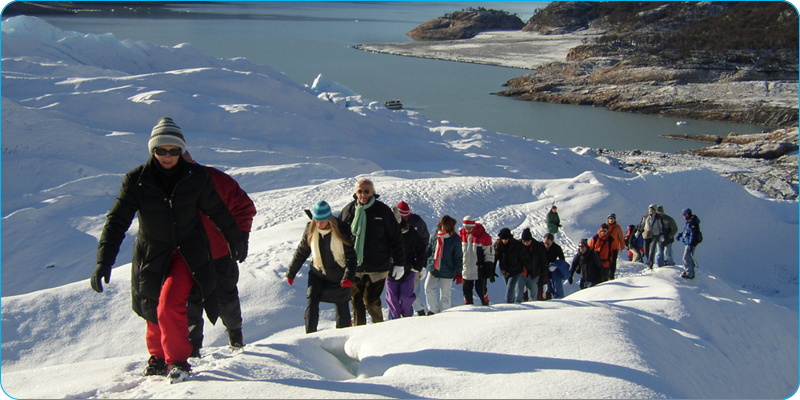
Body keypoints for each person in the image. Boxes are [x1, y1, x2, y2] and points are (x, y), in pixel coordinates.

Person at [91, 117, 245, 383]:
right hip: (152, 253)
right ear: (152, 150)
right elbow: (117, 222)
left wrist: (237, 239)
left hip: (188, 253)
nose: (167, 155)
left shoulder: (195, 177)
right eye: (161, 150)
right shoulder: (136, 180)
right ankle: (157, 357)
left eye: (174, 150)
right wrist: (103, 261)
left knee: (168, 302)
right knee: (151, 304)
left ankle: (178, 361)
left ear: (181, 151)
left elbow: (217, 210)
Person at [183, 151, 256, 356]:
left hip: (219, 254)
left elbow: (244, 207)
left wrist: (242, 237)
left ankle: (236, 338)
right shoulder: (168, 184)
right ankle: (193, 349)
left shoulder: (216, 179)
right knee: (190, 304)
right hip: (185, 258)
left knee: (227, 299)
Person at [339, 179, 405, 325]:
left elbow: (396, 237)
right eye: (359, 191)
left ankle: (378, 329)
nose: (363, 194)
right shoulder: (348, 211)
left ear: (373, 192)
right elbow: (340, 237)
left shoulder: (382, 211)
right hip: (355, 267)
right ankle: (359, 332)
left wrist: (399, 263)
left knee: (370, 301)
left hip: (377, 267)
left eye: (366, 191)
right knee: (356, 303)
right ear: (355, 193)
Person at [286, 201, 356, 333]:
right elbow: (302, 251)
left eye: (322, 221)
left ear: (329, 219)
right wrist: (291, 272)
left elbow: (351, 257)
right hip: (318, 274)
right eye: (316, 221)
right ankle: (310, 335)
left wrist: (348, 276)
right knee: (312, 302)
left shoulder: (341, 230)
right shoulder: (311, 229)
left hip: (339, 275)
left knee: (342, 309)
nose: (319, 224)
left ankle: (343, 336)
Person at [385, 206, 427, 319]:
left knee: (406, 297)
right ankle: (394, 319)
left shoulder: (409, 231)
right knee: (392, 298)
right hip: (390, 270)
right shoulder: (384, 232)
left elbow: (421, 248)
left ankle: (407, 317)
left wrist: (418, 266)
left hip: (409, 270)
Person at [397, 201, 431, 316]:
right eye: (402, 217)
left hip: (413, 264)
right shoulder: (393, 222)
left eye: (406, 217)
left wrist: (422, 263)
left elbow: (425, 242)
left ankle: (420, 312)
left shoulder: (417, 222)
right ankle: (399, 315)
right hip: (397, 264)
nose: (405, 220)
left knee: (413, 292)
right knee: (396, 294)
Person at [424, 215, 463, 315]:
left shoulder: (455, 239)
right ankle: (433, 310)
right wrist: (422, 256)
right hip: (434, 268)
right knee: (428, 288)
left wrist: (459, 272)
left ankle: (445, 313)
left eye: (445, 226)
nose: (443, 228)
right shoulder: (436, 235)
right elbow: (430, 249)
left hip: (448, 270)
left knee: (445, 294)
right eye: (441, 226)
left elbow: (458, 256)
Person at [458, 216, 495, 306]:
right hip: (466, 268)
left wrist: (489, 267)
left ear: (473, 226)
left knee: (480, 289)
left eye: (469, 228)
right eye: (465, 228)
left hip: (479, 268)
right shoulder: (461, 235)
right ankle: (469, 306)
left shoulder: (484, 236)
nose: (467, 230)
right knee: (466, 289)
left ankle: (485, 303)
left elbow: (489, 254)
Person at [494, 228, 530, 304]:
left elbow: (524, 257)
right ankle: (512, 303)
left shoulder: (517, 245)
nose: (504, 241)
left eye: (506, 239)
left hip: (516, 270)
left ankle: (508, 304)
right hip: (505, 271)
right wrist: (492, 271)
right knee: (509, 288)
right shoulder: (497, 245)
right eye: (503, 239)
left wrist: (522, 266)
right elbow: (494, 258)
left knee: (510, 287)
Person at [520, 228, 547, 302]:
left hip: (534, 275)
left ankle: (533, 312)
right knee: (518, 296)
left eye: (527, 241)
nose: (525, 243)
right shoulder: (518, 245)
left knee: (533, 296)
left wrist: (542, 279)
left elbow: (543, 263)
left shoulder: (538, 246)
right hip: (521, 274)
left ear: (531, 240)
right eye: (524, 241)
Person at [676, 208, 703, 280]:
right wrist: (681, 234)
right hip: (688, 242)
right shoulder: (689, 221)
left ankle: (689, 273)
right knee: (688, 257)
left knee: (686, 258)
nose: (683, 216)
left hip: (690, 243)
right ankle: (690, 271)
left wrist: (691, 244)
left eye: (684, 215)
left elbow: (694, 234)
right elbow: (686, 230)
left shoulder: (693, 223)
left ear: (687, 214)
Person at [541, 233, 565, 300]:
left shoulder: (556, 248)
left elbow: (562, 259)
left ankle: (559, 297)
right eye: (545, 243)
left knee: (557, 280)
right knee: (546, 284)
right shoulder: (540, 246)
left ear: (552, 242)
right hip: (543, 268)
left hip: (553, 267)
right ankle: (547, 296)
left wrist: (556, 265)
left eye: (548, 243)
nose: (546, 245)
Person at [638, 204, 663, 268]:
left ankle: (650, 263)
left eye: (652, 209)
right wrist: (639, 231)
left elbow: (661, 226)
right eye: (650, 209)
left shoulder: (658, 217)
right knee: (646, 249)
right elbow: (642, 224)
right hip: (647, 234)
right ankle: (648, 260)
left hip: (655, 234)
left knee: (652, 249)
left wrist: (660, 234)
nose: (651, 211)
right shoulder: (646, 216)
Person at [606, 213, 625, 279]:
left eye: (612, 218)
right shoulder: (605, 226)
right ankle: (607, 274)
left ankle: (612, 275)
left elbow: (621, 237)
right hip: (607, 247)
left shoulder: (618, 227)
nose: (611, 220)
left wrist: (622, 246)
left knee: (613, 262)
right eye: (610, 218)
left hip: (615, 247)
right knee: (607, 261)